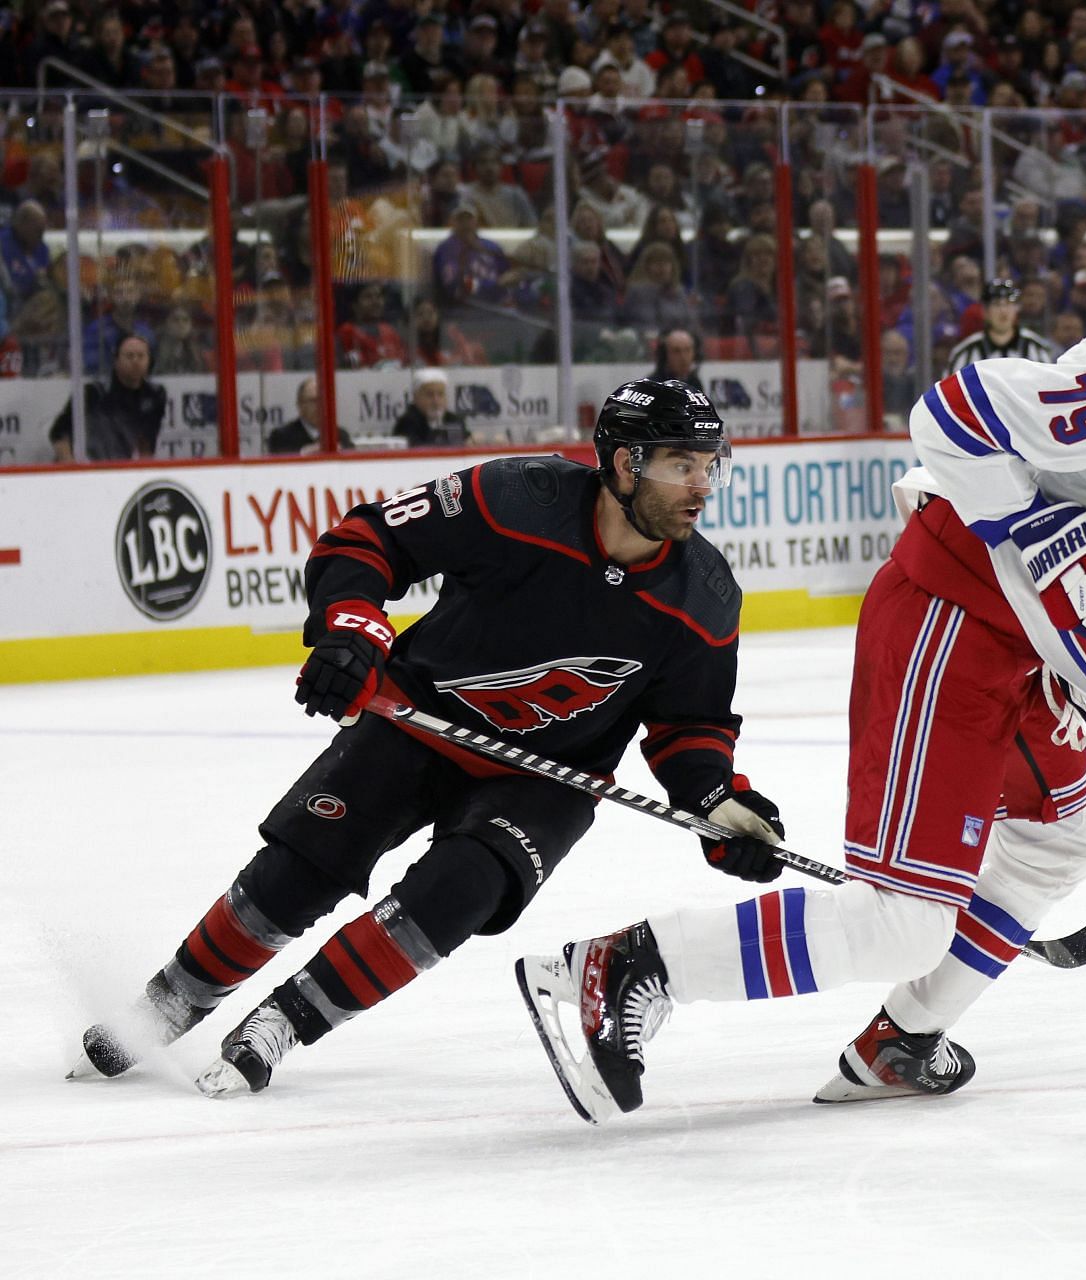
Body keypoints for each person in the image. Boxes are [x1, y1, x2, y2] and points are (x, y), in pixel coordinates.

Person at [512, 239, 1086, 1122]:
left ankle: (903, 1041)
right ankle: (632, 965)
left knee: (1063, 840)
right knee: (900, 921)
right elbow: (955, 412)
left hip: (1043, 671)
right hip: (955, 621)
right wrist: (1034, 529)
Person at [67, 380, 787, 1096]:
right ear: (626, 464)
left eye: (710, 465)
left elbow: (689, 725)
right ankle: (167, 1003)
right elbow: (370, 540)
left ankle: (286, 1021)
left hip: (544, 779)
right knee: (298, 874)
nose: (701, 486)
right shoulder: (515, 499)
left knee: (459, 893)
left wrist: (717, 799)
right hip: (421, 720)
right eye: (680, 465)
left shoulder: (705, 595)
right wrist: (351, 630)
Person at [48, 333, 166, 462]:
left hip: (120, 467)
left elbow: (146, 444)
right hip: (87, 467)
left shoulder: (154, 396)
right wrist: (71, 466)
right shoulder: (93, 392)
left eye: (141, 356)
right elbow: (58, 433)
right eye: (129, 356)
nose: (135, 361)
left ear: (149, 361)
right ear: (116, 361)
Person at [944, 278, 1056, 374]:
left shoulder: (1037, 349)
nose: (1003, 311)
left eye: (1008, 304)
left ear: (1016, 308)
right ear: (985, 311)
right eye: (996, 305)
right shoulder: (964, 353)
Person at [267, 377, 355, 455]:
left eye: (323, 400)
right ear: (300, 405)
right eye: (313, 401)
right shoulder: (281, 437)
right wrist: (303, 454)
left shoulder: (340, 435)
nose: (320, 405)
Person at [393, 368, 469, 447]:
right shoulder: (407, 423)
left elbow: (466, 440)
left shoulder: (454, 420)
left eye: (440, 394)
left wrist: (473, 439)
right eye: (429, 395)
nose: (436, 401)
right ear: (416, 398)